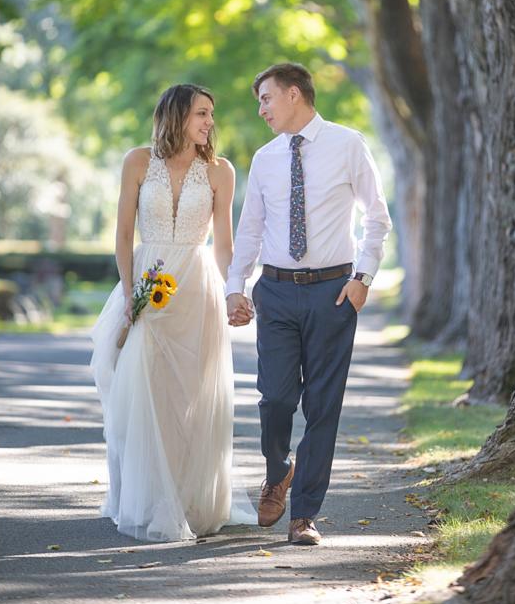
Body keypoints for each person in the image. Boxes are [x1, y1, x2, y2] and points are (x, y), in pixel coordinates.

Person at [226, 62, 392, 547]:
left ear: (294, 94)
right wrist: (236, 286)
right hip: (275, 291)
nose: (261, 109)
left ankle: (304, 516)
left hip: (332, 292)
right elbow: (250, 229)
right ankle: (278, 470)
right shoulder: (265, 159)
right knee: (275, 397)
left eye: (266, 99)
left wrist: (363, 278)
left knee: (323, 406)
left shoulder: (348, 144)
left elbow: (376, 218)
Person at [90, 83, 257, 541]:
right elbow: (123, 237)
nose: (209, 122)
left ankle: (190, 499)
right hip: (147, 282)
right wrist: (129, 298)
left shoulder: (221, 171)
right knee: (150, 392)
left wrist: (234, 292)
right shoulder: (138, 162)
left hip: (197, 288)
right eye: (202, 113)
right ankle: (152, 499)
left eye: (211, 114)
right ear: (177, 114)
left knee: (193, 396)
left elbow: (223, 246)